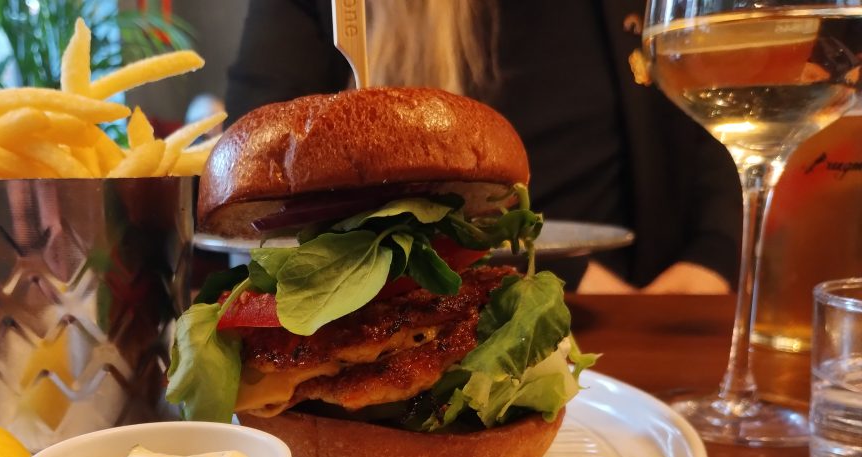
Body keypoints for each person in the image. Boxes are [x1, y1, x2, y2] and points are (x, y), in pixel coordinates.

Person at [223, 0, 742, 293]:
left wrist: (713, 257)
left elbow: (712, 111)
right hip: (433, 301)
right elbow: (253, 196)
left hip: (653, 326)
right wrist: (561, 273)